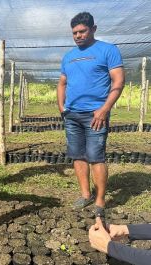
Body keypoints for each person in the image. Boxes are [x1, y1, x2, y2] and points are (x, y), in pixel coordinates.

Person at [57, 12, 125, 219]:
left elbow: (118, 82)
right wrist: (62, 108)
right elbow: (62, 83)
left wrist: (104, 110)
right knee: (78, 156)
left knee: (96, 157)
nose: (78, 35)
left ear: (93, 29)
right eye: (74, 32)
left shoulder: (108, 50)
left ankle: (100, 201)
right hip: (72, 115)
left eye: (82, 31)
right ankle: (85, 194)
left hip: (96, 115)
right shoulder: (68, 56)